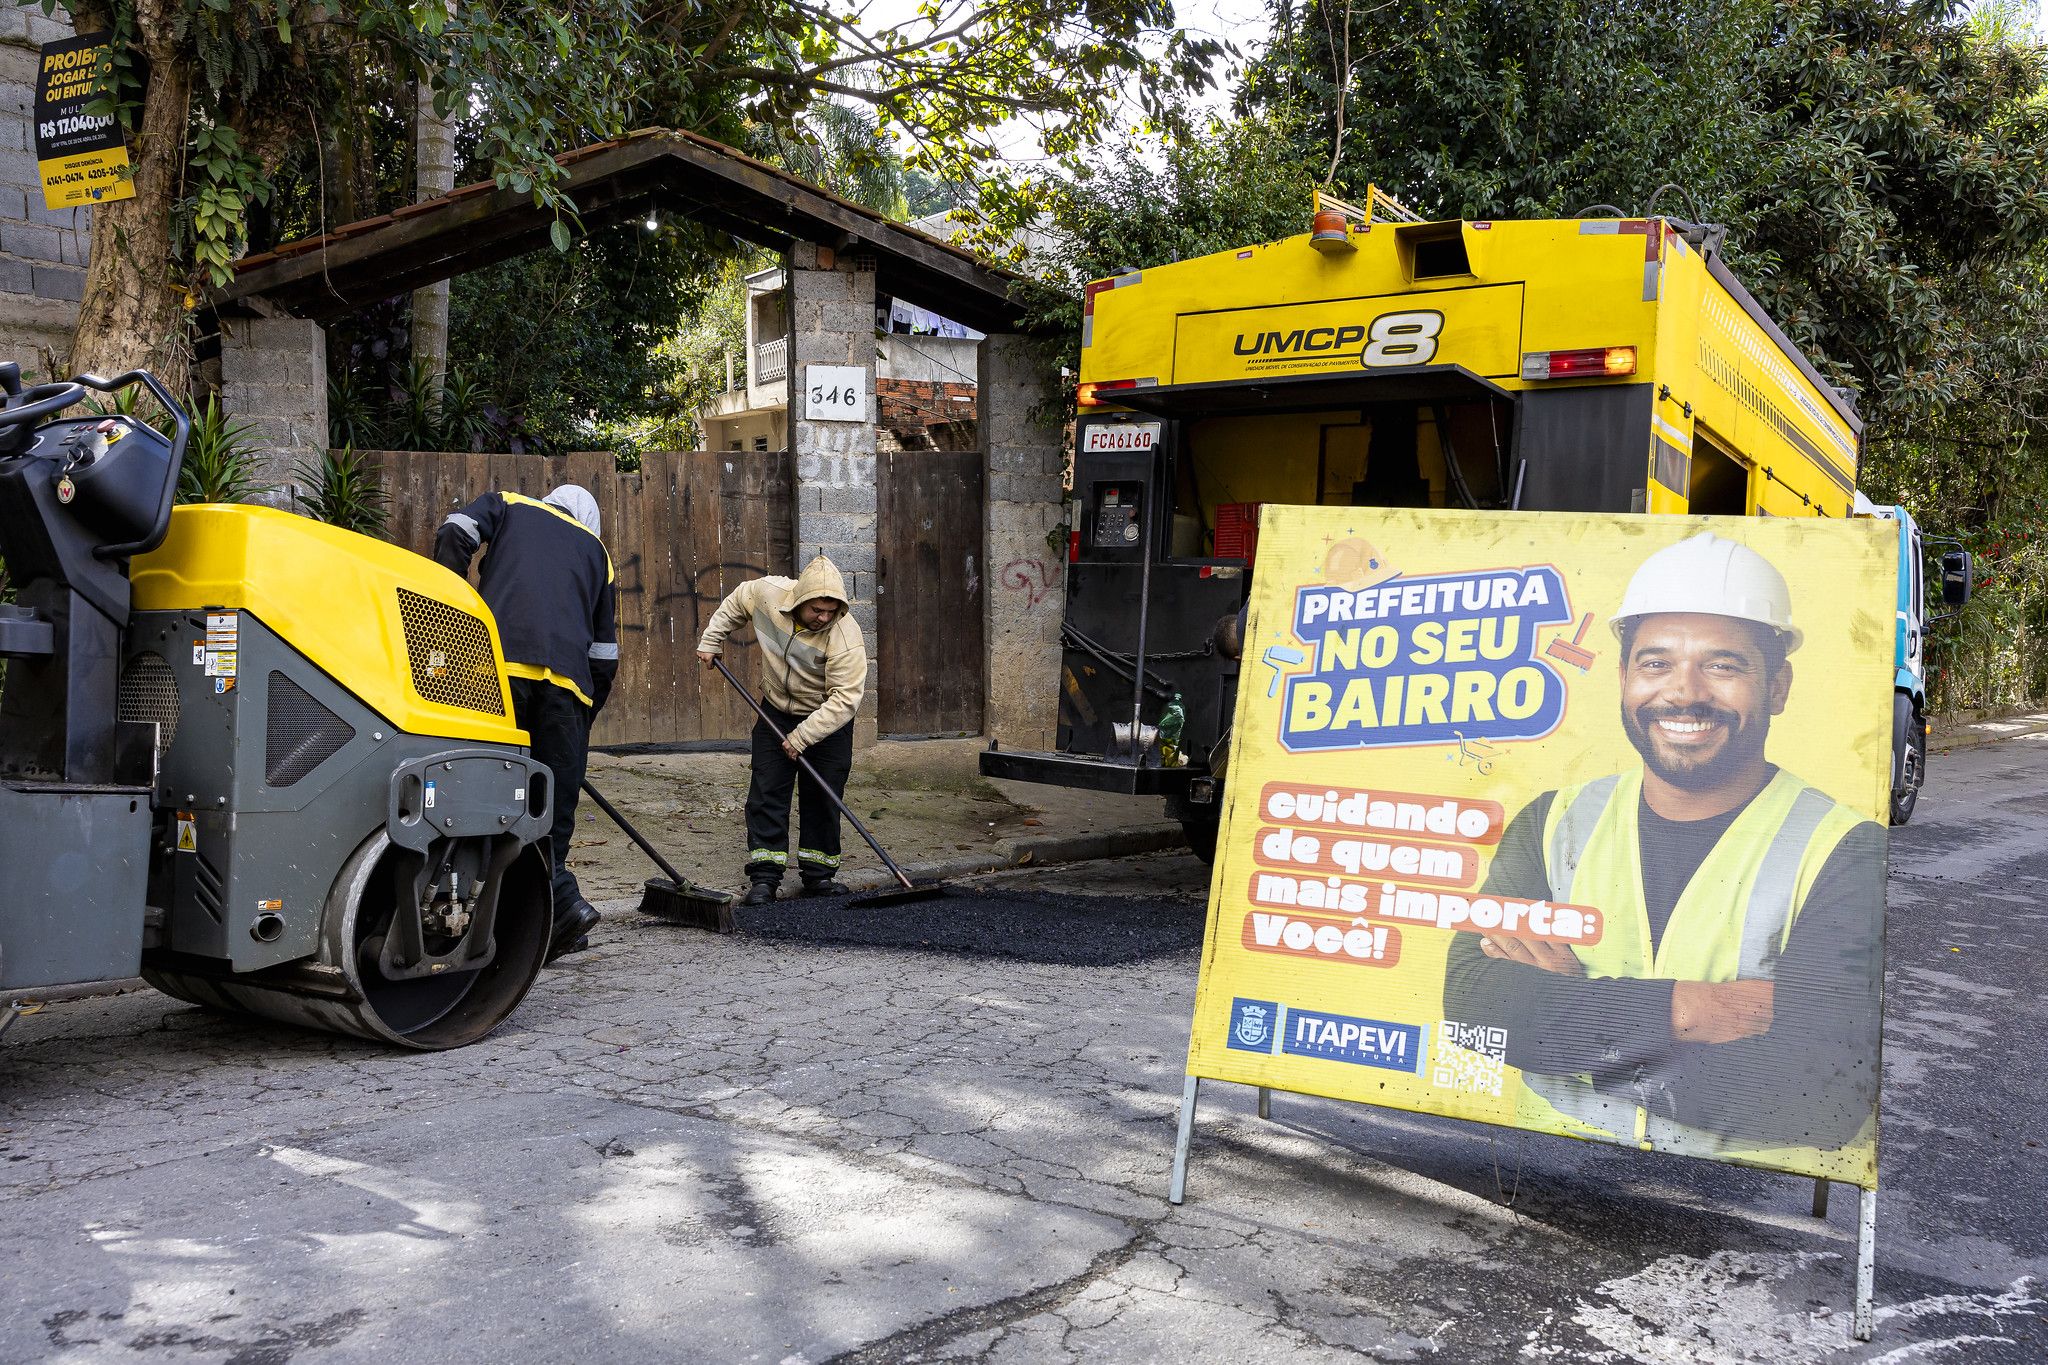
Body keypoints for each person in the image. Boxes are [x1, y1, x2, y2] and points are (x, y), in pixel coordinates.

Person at [1441, 531, 1885, 1162]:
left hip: (1747, 1212)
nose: (1684, 692)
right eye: (1656, 663)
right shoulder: (1554, 821)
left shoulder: (1841, 849)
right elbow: (1473, 1007)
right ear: (1623, 680)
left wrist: (1570, 1018)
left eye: (1723, 664)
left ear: (1778, 687)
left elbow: (1820, 1092)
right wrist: (1687, 1010)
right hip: (1540, 1173)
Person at [434, 485, 617, 961]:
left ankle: (526, 912)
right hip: (568, 689)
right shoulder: (597, 551)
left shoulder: (508, 504)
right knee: (551, 804)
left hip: (499, 669)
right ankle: (556, 905)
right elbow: (604, 654)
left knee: (485, 784)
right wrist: (582, 722)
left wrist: (449, 609)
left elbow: (455, 531)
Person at [695, 556, 866, 905]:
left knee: (823, 797)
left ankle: (818, 876)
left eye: (832, 610)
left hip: (825, 721)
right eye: (817, 610)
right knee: (767, 792)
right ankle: (765, 876)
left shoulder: (845, 635)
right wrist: (713, 639)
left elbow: (846, 699)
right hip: (776, 711)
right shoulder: (768, 594)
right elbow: (737, 601)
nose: (825, 617)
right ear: (800, 602)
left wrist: (802, 737)